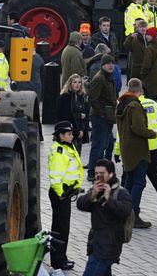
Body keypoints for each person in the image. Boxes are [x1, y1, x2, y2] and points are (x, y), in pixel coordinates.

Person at [114, 92, 157, 218]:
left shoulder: (126, 105)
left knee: (129, 179)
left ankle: (125, 208)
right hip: (153, 148)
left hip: (134, 150)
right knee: (156, 177)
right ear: (141, 91)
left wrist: (117, 151)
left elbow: (121, 133)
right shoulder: (153, 104)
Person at [77, 158, 133, 276]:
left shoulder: (120, 192)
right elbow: (80, 205)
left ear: (111, 174)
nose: (98, 176)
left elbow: (125, 211)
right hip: (96, 245)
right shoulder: (96, 190)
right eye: (96, 173)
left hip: (108, 247)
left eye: (102, 174)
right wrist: (92, 195)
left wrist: (109, 199)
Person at [116, 78, 157, 228]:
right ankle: (133, 215)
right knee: (139, 183)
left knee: (129, 182)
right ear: (140, 91)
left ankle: (124, 212)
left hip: (126, 148)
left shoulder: (122, 103)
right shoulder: (134, 105)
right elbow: (138, 128)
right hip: (137, 149)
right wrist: (153, 134)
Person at [48, 121, 83, 271]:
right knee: (60, 228)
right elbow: (55, 176)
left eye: (71, 133)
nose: (71, 136)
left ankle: (61, 257)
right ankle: (58, 261)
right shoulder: (59, 151)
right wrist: (62, 194)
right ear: (60, 135)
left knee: (63, 228)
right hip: (60, 193)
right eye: (68, 134)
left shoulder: (66, 147)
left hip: (65, 192)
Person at [87, 55, 117, 181]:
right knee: (98, 146)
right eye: (107, 63)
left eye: (112, 63)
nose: (110, 65)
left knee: (108, 144)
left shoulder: (108, 77)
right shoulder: (100, 78)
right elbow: (92, 98)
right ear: (103, 65)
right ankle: (92, 173)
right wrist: (102, 113)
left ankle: (103, 171)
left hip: (107, 117)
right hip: (100, 118)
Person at [57, 73, 89, 155]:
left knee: (77, 155)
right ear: (70, 84)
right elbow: (64, 115)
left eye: (79, 82)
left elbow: (85, 114)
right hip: (69, 131)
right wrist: (79, 116)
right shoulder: (65, 97)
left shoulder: (81, 96)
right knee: (69, 155)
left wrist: (82, 129)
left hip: (79, 131)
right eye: (74, 82)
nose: (77, 84)